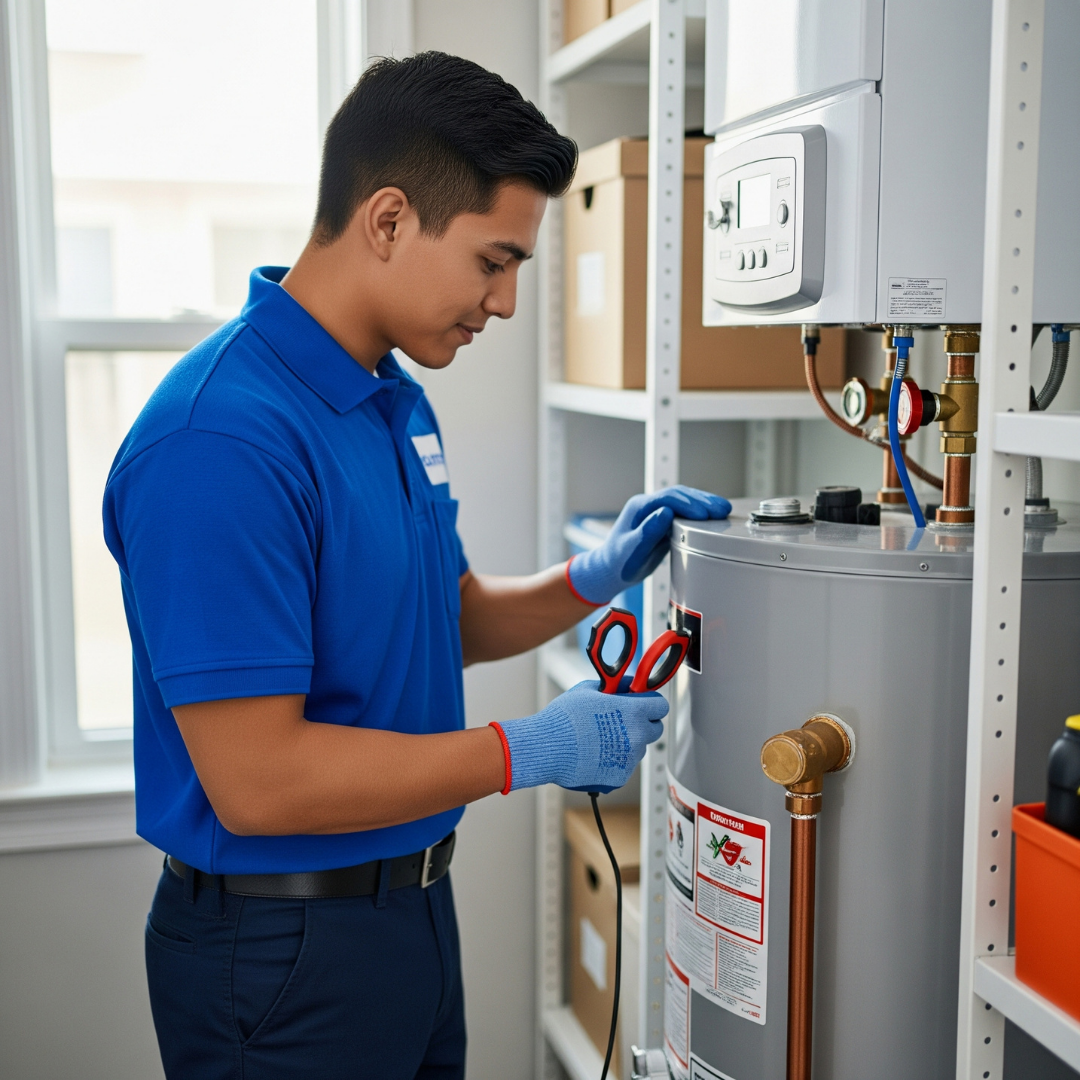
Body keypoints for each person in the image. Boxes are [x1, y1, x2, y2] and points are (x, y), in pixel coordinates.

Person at [103, 51, 730, 1080]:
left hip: (411, 916)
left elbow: (450, 614)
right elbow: (258, 781)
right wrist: (525, 749)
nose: (509, 302)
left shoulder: (390, 395)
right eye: (493, 261)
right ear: (388, 220)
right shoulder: (222, 442)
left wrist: (598, 576)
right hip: (280, 954)